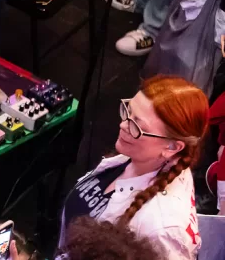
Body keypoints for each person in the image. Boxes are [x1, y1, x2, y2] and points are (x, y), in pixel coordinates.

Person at [59, 75, 208, 260]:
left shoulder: (162, 230)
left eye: (136, 125)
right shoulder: (147, 159)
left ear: (172, 147)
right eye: (128, 112)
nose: (123, 125)